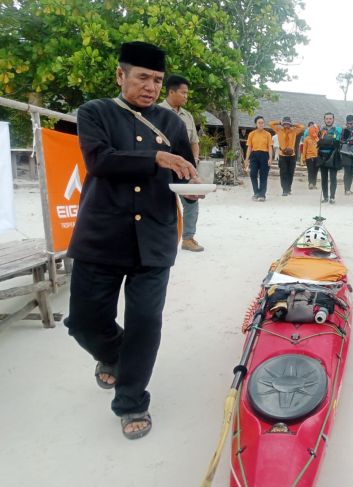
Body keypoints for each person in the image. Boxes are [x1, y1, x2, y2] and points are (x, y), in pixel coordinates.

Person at [64, 41, 198, 440]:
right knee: (84, 322)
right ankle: (113, 355)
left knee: (144, 324)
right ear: (121, 75)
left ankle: (131, 400)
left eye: (157, 80)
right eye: (142, 77)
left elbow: (179, 173)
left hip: (154, 237)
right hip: (102, 236)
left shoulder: (171, 123)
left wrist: (189, 187)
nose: (151, 87)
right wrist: (156, 159)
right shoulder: (94, 113)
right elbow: (99, 160)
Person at [159, 74, 204, 252]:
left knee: (192, 201)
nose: (186, 96)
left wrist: (194, 162)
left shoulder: (188, 116)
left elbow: (194, 141)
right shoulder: (156, 112)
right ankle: (161, 239)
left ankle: (188, 238)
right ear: (172, 92)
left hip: (185, 169)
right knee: (161, 202)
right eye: (183, 93)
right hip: (161, 168)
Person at [270, 116, 305, 196]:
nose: (286, 125)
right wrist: (279, 122)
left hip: (292, 155)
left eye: (288, 123)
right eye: (284, 123)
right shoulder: (279, 130)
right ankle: (284, 190)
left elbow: (302, 127)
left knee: (290, 173)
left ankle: (288, 189)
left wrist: (294, 125)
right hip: (282, 155)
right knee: (283, 173)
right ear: (283, 124)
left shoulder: (294, 131)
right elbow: (270, 124)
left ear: (290, 124)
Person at [244, 116, 273, 201]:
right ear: (256, 124)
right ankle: (256, 192)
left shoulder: (268, 134)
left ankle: (262, 195)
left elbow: (270, 147)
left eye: (262, 122)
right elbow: (249, 147)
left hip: (265, 155)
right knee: (253, 174)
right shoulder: (251, 134)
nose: (261, 124)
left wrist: (270, 158)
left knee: (263, 176)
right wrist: (246, 159)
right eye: (259, 123)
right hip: (254, 155)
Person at [317, 112, 342, 204]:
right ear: (324, 120)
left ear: (333, 119)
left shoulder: (337, 130)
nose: (328, 120)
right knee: (324, 178)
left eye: (330, 118)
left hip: (333, 156)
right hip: (322, 156)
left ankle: (332, 197)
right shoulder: (320, 131)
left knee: (333, 178)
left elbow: (339, 141)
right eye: (327, 118)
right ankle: (325, 197)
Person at [340, 114, 353, 195]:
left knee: (352, 172)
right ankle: (346, 190)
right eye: (348, 123)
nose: (349, 125)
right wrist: (349, 141)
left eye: (351, 123)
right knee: (347, 172)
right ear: (346, 122)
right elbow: (342, 140)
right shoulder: (344, 130)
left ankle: (349, 188)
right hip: (346, 153)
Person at [302, 124, 320, 189]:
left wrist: (317, 138)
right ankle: (310, 183)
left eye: (315, 130)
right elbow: (304, 149)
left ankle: (314, 184)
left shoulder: (318, 138)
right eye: (313, 130)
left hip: (317, 157)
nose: (314, 132)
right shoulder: (307, 139)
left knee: (316, 171)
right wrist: (303, 158)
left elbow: (320, 147)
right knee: (310, 171)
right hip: (309, 157)